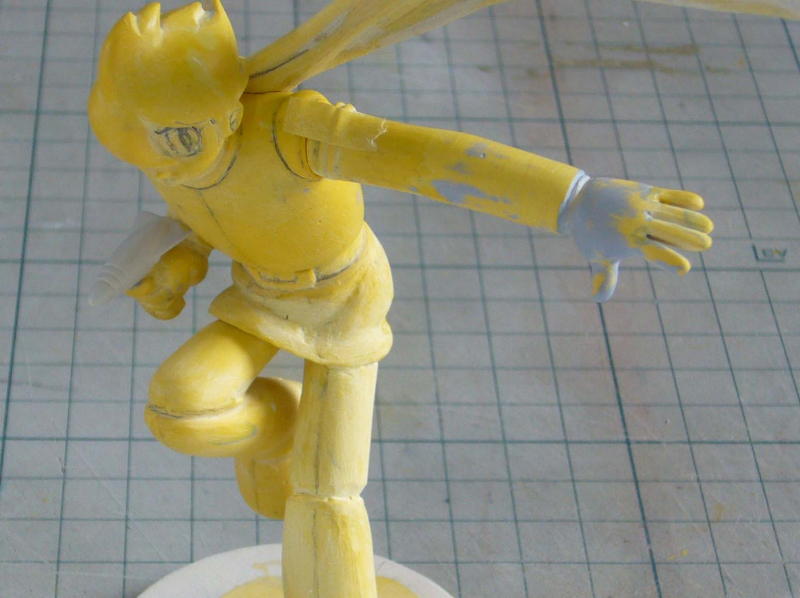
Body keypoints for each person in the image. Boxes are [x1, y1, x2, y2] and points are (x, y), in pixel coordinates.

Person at [87, 1, 713, 596]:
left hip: (343, 302)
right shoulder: (171, 153)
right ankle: (291, 421)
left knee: (324, 498)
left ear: (227, 115)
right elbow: (207, 213)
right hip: (258, 294)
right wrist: (181, 262)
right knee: (181, 411)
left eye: (174, 141)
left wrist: (573, 200)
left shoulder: (294, 133)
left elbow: (427, 158)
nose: (161, 164)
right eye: (134, 142)